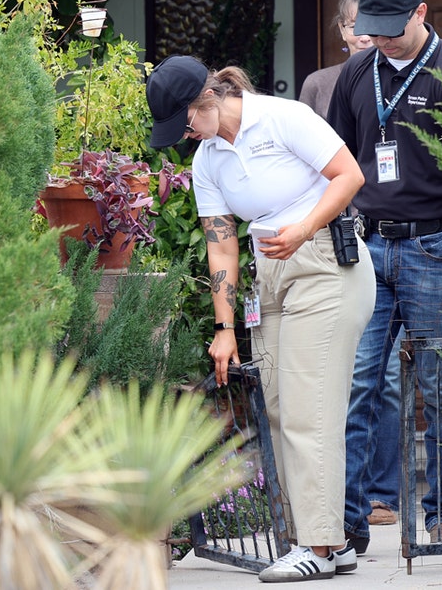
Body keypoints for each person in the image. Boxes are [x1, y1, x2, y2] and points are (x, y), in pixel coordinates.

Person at [146, 55, 375, 582]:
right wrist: (224, 329)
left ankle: (315, 546)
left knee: (307, 409)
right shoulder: (208, 160)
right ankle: (325, 540)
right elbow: (221, 247)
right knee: (276, 408)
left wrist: (302, 228)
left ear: (205, 101)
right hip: (270, 275)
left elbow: (349, 175)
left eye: (184, 123)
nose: (184, 135)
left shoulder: (282, 117)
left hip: (324, 262)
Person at [327, 0, 442, 550]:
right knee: (356, 381)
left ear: (422, 14)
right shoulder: (355, 74)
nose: (381, 39)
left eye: (392, 28)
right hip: (369, 248)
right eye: (372, 29)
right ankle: (347, 519)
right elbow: (336, 155)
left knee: (441, 386)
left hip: (435, 248)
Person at [300, 0, 401, 528]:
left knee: (387, 377)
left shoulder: (402, 76)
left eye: (372, 23)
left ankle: (385, 493)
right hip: (341, 237)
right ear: (340, 31)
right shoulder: (320, 85)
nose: (363, 33)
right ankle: (348, 499)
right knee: (356, 374)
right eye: (353, 25)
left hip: (393, 236)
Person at [298, 0, 373, 118]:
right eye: (355, 27)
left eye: (372, 26)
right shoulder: (317, 83)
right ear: (342, 29)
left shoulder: (398, 79)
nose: (365, 37)